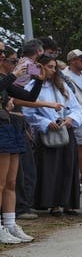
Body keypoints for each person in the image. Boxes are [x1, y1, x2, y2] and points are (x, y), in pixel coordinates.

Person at [23, 55, 82, 216]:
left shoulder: (61, 85)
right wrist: (44, 122)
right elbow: (28, 112)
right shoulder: (32, 86)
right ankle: (53, 204)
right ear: (41, 67)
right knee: (51, 168)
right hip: (47, 133)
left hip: (65, 131)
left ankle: (68, 203)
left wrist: (71, 118)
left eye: (54, 67)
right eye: (49, 66)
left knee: (68, 167)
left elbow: (76, 107)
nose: (53, 70)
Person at [0, 46, 45, 243]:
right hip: (2, 127)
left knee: (11, 182)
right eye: (4, 55)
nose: (3, 56)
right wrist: (15, 75)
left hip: (10, 125)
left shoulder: (7, 77)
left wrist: (39, 80)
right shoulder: (7, 77)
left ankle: (10, 224)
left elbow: (28, 97)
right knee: (0, 182)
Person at [63, 49, 82, 188]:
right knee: (77, 145)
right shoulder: (64, 75)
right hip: (72, 112)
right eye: (81, 59)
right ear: (73, 60)